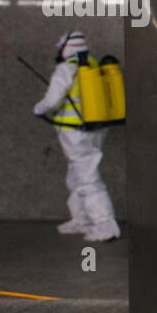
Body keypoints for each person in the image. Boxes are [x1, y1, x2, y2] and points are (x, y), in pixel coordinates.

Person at [32, 31, 121, 243]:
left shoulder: (66, 68)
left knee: (87, 177)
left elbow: (53, 100)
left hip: (74, 131)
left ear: (65, 48)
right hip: (96, 128)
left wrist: (38, 108)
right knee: (77, 174)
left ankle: (104, 225)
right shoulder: (91, 64)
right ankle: (81, 219)